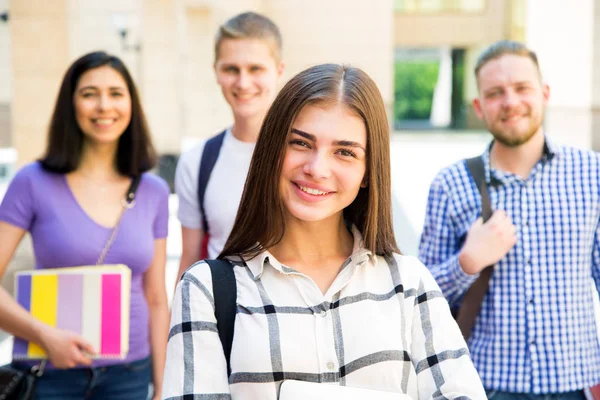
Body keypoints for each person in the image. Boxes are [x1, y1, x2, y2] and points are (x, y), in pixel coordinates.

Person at [162, 64, 486, 399]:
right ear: (272, 150)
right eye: (301, 143)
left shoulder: (409, 283)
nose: (317, 168)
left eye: (345, 152)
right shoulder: (206, 291)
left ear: (366, 171)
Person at [419, 40, 600, 399]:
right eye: (495, 93)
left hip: (576, 385)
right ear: (479, 106)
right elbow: (419, 302)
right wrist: (466, 263)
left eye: (522, 88)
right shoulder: (451, 184)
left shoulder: (592, 174)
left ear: (544, 93)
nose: (510, 102)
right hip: (483, 385)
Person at [0, 51, 170, 399]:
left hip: (131, 375)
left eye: (116, 93)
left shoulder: (153, 191)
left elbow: (156, 298)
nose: (104, 105)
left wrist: (163, 386)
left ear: (131, 105)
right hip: (51, 372)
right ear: (71, 104)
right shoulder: (31, 182)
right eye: (89, 93)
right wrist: (45, 335)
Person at [174, 11, 285, 276]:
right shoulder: (197, 162)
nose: (243, 82)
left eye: (255, 68)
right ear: (216, 72)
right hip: (222, 315)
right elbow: (189, 261)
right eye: (231, 69)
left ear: (279, 70)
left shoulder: (307, 156)